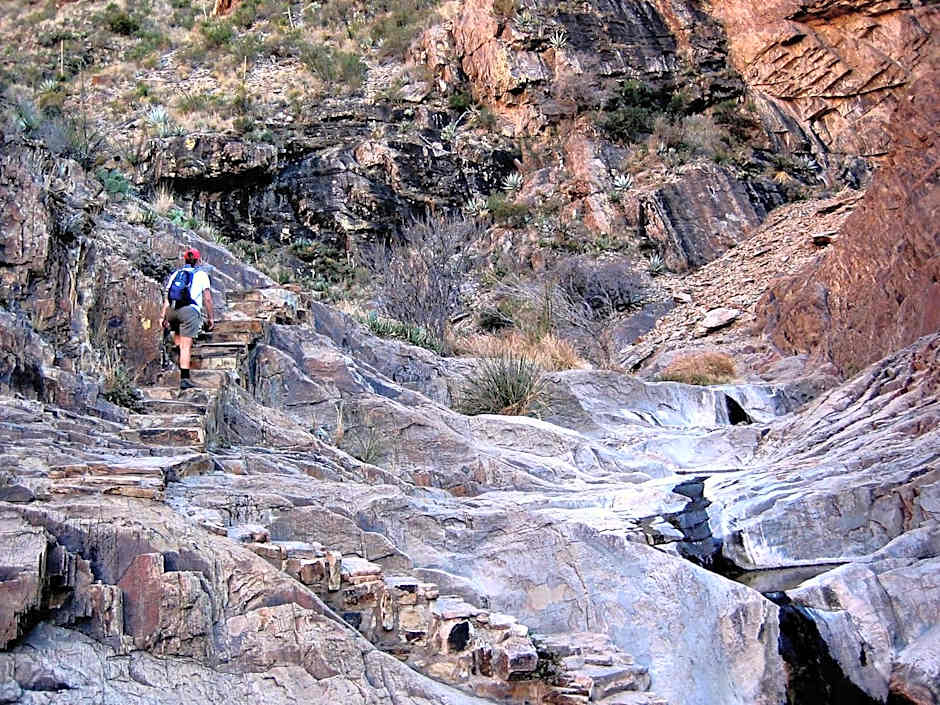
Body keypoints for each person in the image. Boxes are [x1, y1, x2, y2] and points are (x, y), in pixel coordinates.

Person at [160, 248, 214, 390]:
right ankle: (184, 378)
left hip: (173, 311)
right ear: (198, 260)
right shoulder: (202, 275)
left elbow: (167, 298)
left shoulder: (176, 274)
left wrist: (163, 316)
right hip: (189, 312)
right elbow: (207, 299)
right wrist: (211, 318)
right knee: (186, 346)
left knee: (179, 335)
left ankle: (178, 358)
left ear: (184, 259)